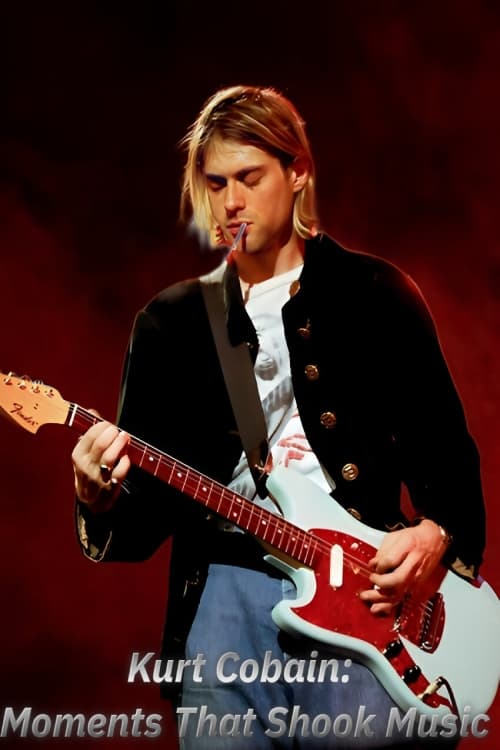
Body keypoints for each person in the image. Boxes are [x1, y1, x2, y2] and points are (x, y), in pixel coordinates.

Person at [72, 85, 486, 748]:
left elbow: (449, 456)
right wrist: (98, 497)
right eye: (215, 184)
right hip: (223, 602)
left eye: (249, 178)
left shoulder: (376, 294)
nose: (230, 202)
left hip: (361, 596)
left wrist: (436, 535)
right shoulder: (172, 324)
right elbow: (143, 518)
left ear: (298, 172)